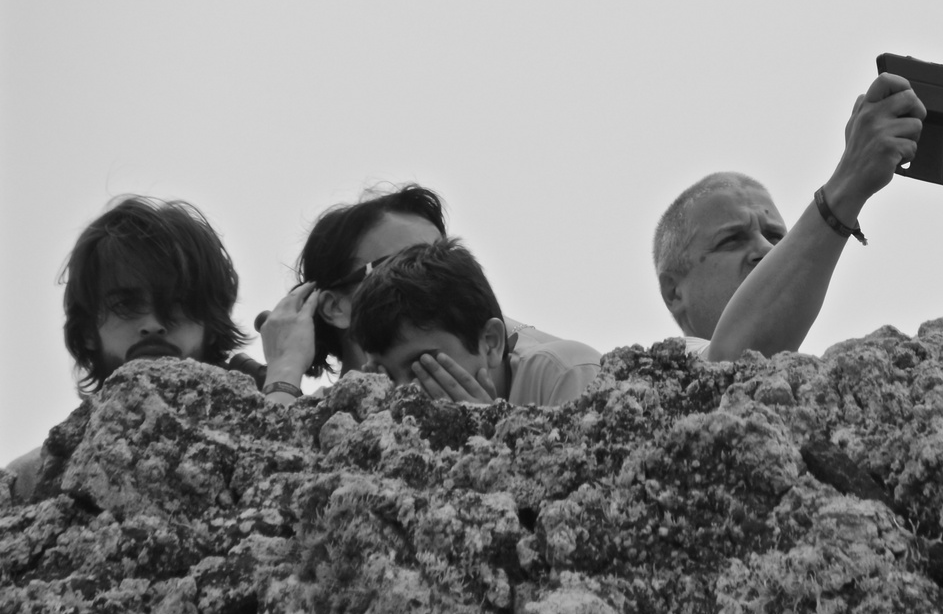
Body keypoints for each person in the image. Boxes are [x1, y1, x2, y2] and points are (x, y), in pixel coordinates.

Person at [654, 61, 943, 361]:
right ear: (674, 291)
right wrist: (850, 181)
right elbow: (730, 364)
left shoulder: (833, 391)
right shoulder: (645, 384)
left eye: (776, 238)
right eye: (732, 239)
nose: (765, 251)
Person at [6, 196, 260, 499]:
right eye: (126, 304)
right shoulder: (26, 484)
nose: (152, 324)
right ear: (88, 330)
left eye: (177, 304)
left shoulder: (270, 434)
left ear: (211, 325)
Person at [257, 184, 575, 406]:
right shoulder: (333, 419)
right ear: (333, 307)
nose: (431, 274)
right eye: (404, 261)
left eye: (438, 255)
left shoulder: (555, 371)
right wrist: (285, 369)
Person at [348, 237, 601, 406]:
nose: (404, 396)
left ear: (490, 343)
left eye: (422, 367)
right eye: (385, 377)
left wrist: (485, 436)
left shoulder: (566, 373)